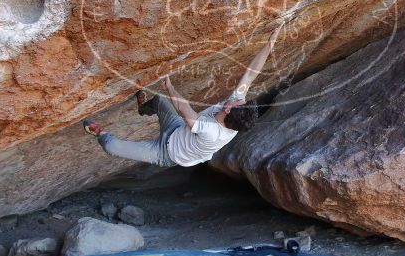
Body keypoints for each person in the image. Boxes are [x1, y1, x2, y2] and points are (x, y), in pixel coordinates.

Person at [82, 28, 279, 167]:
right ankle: (144, 109)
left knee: (112, 147)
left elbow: (184, 109)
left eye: (238, 101)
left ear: (228, 109)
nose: (239, 96)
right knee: (158, 101)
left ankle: (100, 134)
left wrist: (169, 86)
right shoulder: (234, 115)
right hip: (176, 129)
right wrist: (270, 44)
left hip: (165, 153)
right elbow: (251, 74)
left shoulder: (213, 133)